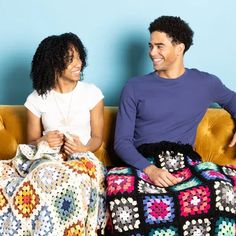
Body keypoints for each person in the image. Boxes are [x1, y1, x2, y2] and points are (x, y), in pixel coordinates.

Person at [106, 16, 236, 235]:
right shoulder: (134, 87)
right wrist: (150, 170)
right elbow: (121, 142)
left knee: (220, 191)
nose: (152, 53)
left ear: (179, 48)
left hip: (184, 163)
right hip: (142, 164)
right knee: (127, 201)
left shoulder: (206, 83)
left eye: (159, 46)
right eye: (150, 46)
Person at [0, 33, 106, 235]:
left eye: (79, 57)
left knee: (63, 181)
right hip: (47, 159)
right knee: (26, 176)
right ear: (53, 63)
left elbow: (97, 138)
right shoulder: (36, 98)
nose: (79, 63)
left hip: (82, 159)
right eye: (70, 58)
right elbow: (31, 142)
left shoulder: (92, 93)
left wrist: (83, 148)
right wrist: (43, 140)